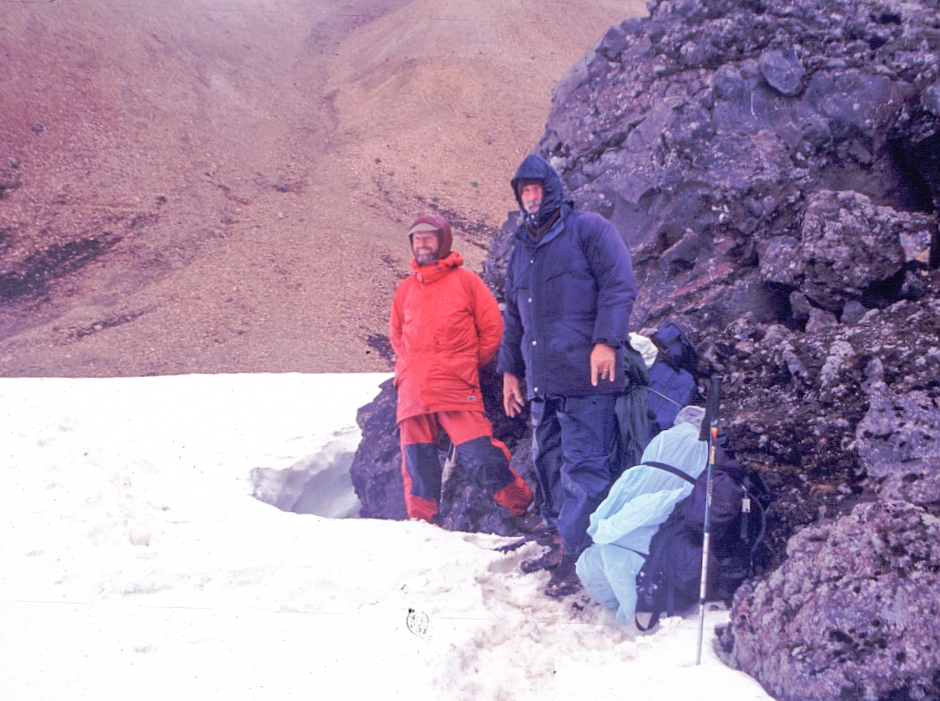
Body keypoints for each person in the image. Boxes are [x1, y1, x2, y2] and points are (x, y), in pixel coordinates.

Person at [498, 154, 637, 597]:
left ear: (552, 188)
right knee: (549, 463)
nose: (532, 197)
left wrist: (606, 341)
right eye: (524, 191)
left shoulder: (589, 230)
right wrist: (510, 372)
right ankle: (563, 543)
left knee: (585, 467)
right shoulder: (522, 249)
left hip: (587, 378)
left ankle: (582, 557)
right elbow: (515, 320)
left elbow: (619, 285)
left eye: (537, 188)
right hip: (543, 383)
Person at [389, 214, 533, 525]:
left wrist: (465, 364)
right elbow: (397, 335)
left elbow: (493, 330)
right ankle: (422, 524)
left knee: (481, 456)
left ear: (444, 241)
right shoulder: (405, 290)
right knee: (417, 462)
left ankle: (521, 508)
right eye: (416, 238)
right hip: (413, 391)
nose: (422, 243)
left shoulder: (467, 282)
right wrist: (412, 369)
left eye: (429, 237)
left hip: (455, 387)